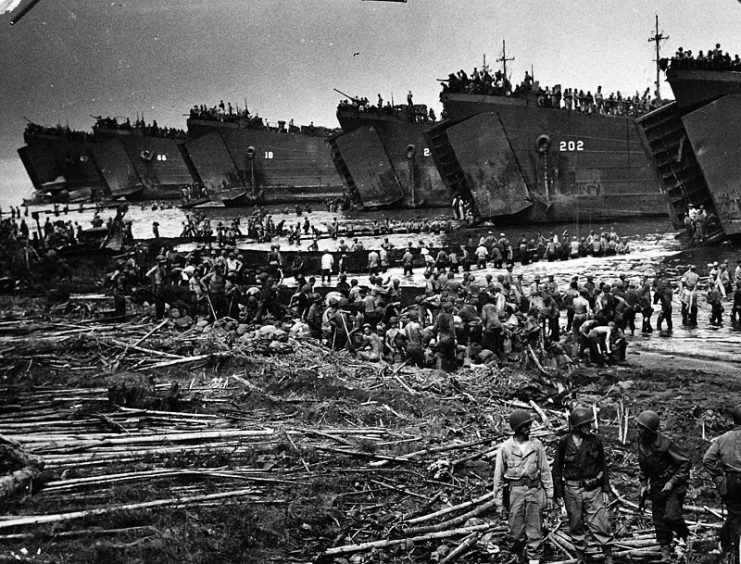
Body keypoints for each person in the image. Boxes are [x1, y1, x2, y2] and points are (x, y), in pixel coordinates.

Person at [553, 407, 614, 564]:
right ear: (576, 426)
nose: (589, 427)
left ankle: (608, 556)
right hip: (571, 490)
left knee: (601, 522)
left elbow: (603, 466)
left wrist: (606, 489)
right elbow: (557, 469)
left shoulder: (595, 441)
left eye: (589, 424)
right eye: (585, 425)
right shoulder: (564, 442)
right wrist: (558, 494)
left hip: (593, 489)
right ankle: (581, 556)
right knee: (575, 524)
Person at [493, 409, 554, 564]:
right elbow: (498, 477)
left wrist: (550, 494)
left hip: (534, 490)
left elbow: (545, 471)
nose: (529, 428)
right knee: (515, 533)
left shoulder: (536, 445)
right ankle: (519, 557)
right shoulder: (505, 448)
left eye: (529, 425)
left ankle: (534, 560)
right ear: (517, 428)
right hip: (515, 492)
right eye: (525, 426)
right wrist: (499, 503)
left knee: (535, 530)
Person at [636, 410, 690, 563]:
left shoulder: (667, 443)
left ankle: (683, 534)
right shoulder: (641, 442)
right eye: (639, 427)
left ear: (651, 430)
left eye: (642, 428)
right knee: (659, 521)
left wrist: (672, 482)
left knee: (672, 516)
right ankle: (665, 554)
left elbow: (685, 463)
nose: (639, 430)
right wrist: (643, 484)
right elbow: (643, 466)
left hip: (674, 484)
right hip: (656, 484)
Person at [703, 404, 741, 564]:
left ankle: (729, 547)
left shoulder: (723, 438)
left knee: (735, 516)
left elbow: (707, 460)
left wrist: (720, 480)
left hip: (733, 482)